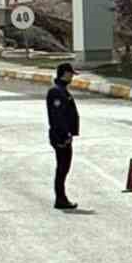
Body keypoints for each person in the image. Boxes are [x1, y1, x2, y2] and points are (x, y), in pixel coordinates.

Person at [47, 63, 80, 210]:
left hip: (64, 135)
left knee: (64, 167)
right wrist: (65, 134)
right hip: (60, 136)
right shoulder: (56, 92)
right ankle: (60, 198)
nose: (72, 77)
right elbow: (57, 117)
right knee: (62, 168)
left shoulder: (62, 90)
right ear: (64, 74)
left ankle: (61, 197)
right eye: (70, 74)